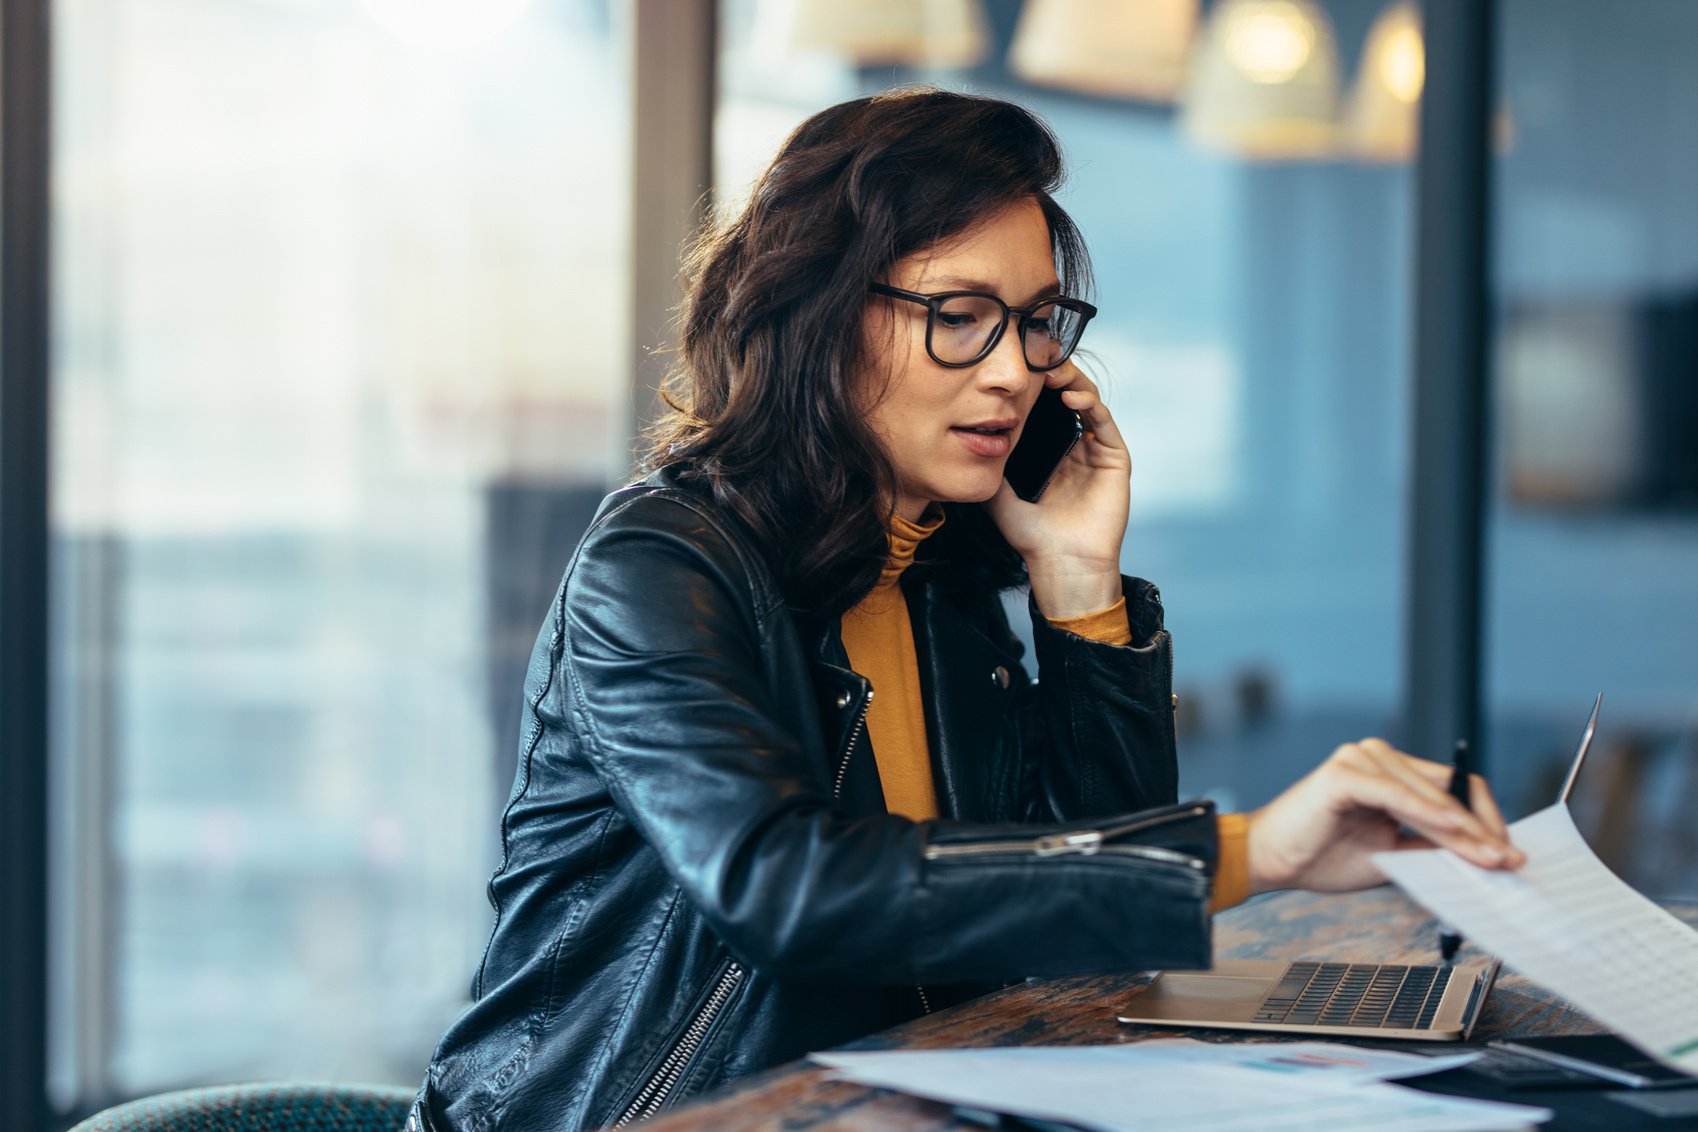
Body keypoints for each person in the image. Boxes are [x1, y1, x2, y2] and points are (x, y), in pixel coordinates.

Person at [410, 88, 1522, 1132]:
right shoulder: (661, 562)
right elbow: (791, 885)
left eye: (1037, 323)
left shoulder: (939, 577)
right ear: (819, 314)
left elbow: (1083, 934)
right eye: (959, 315)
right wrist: (1251, 851)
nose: (1013, 373)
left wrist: (1079, 586)